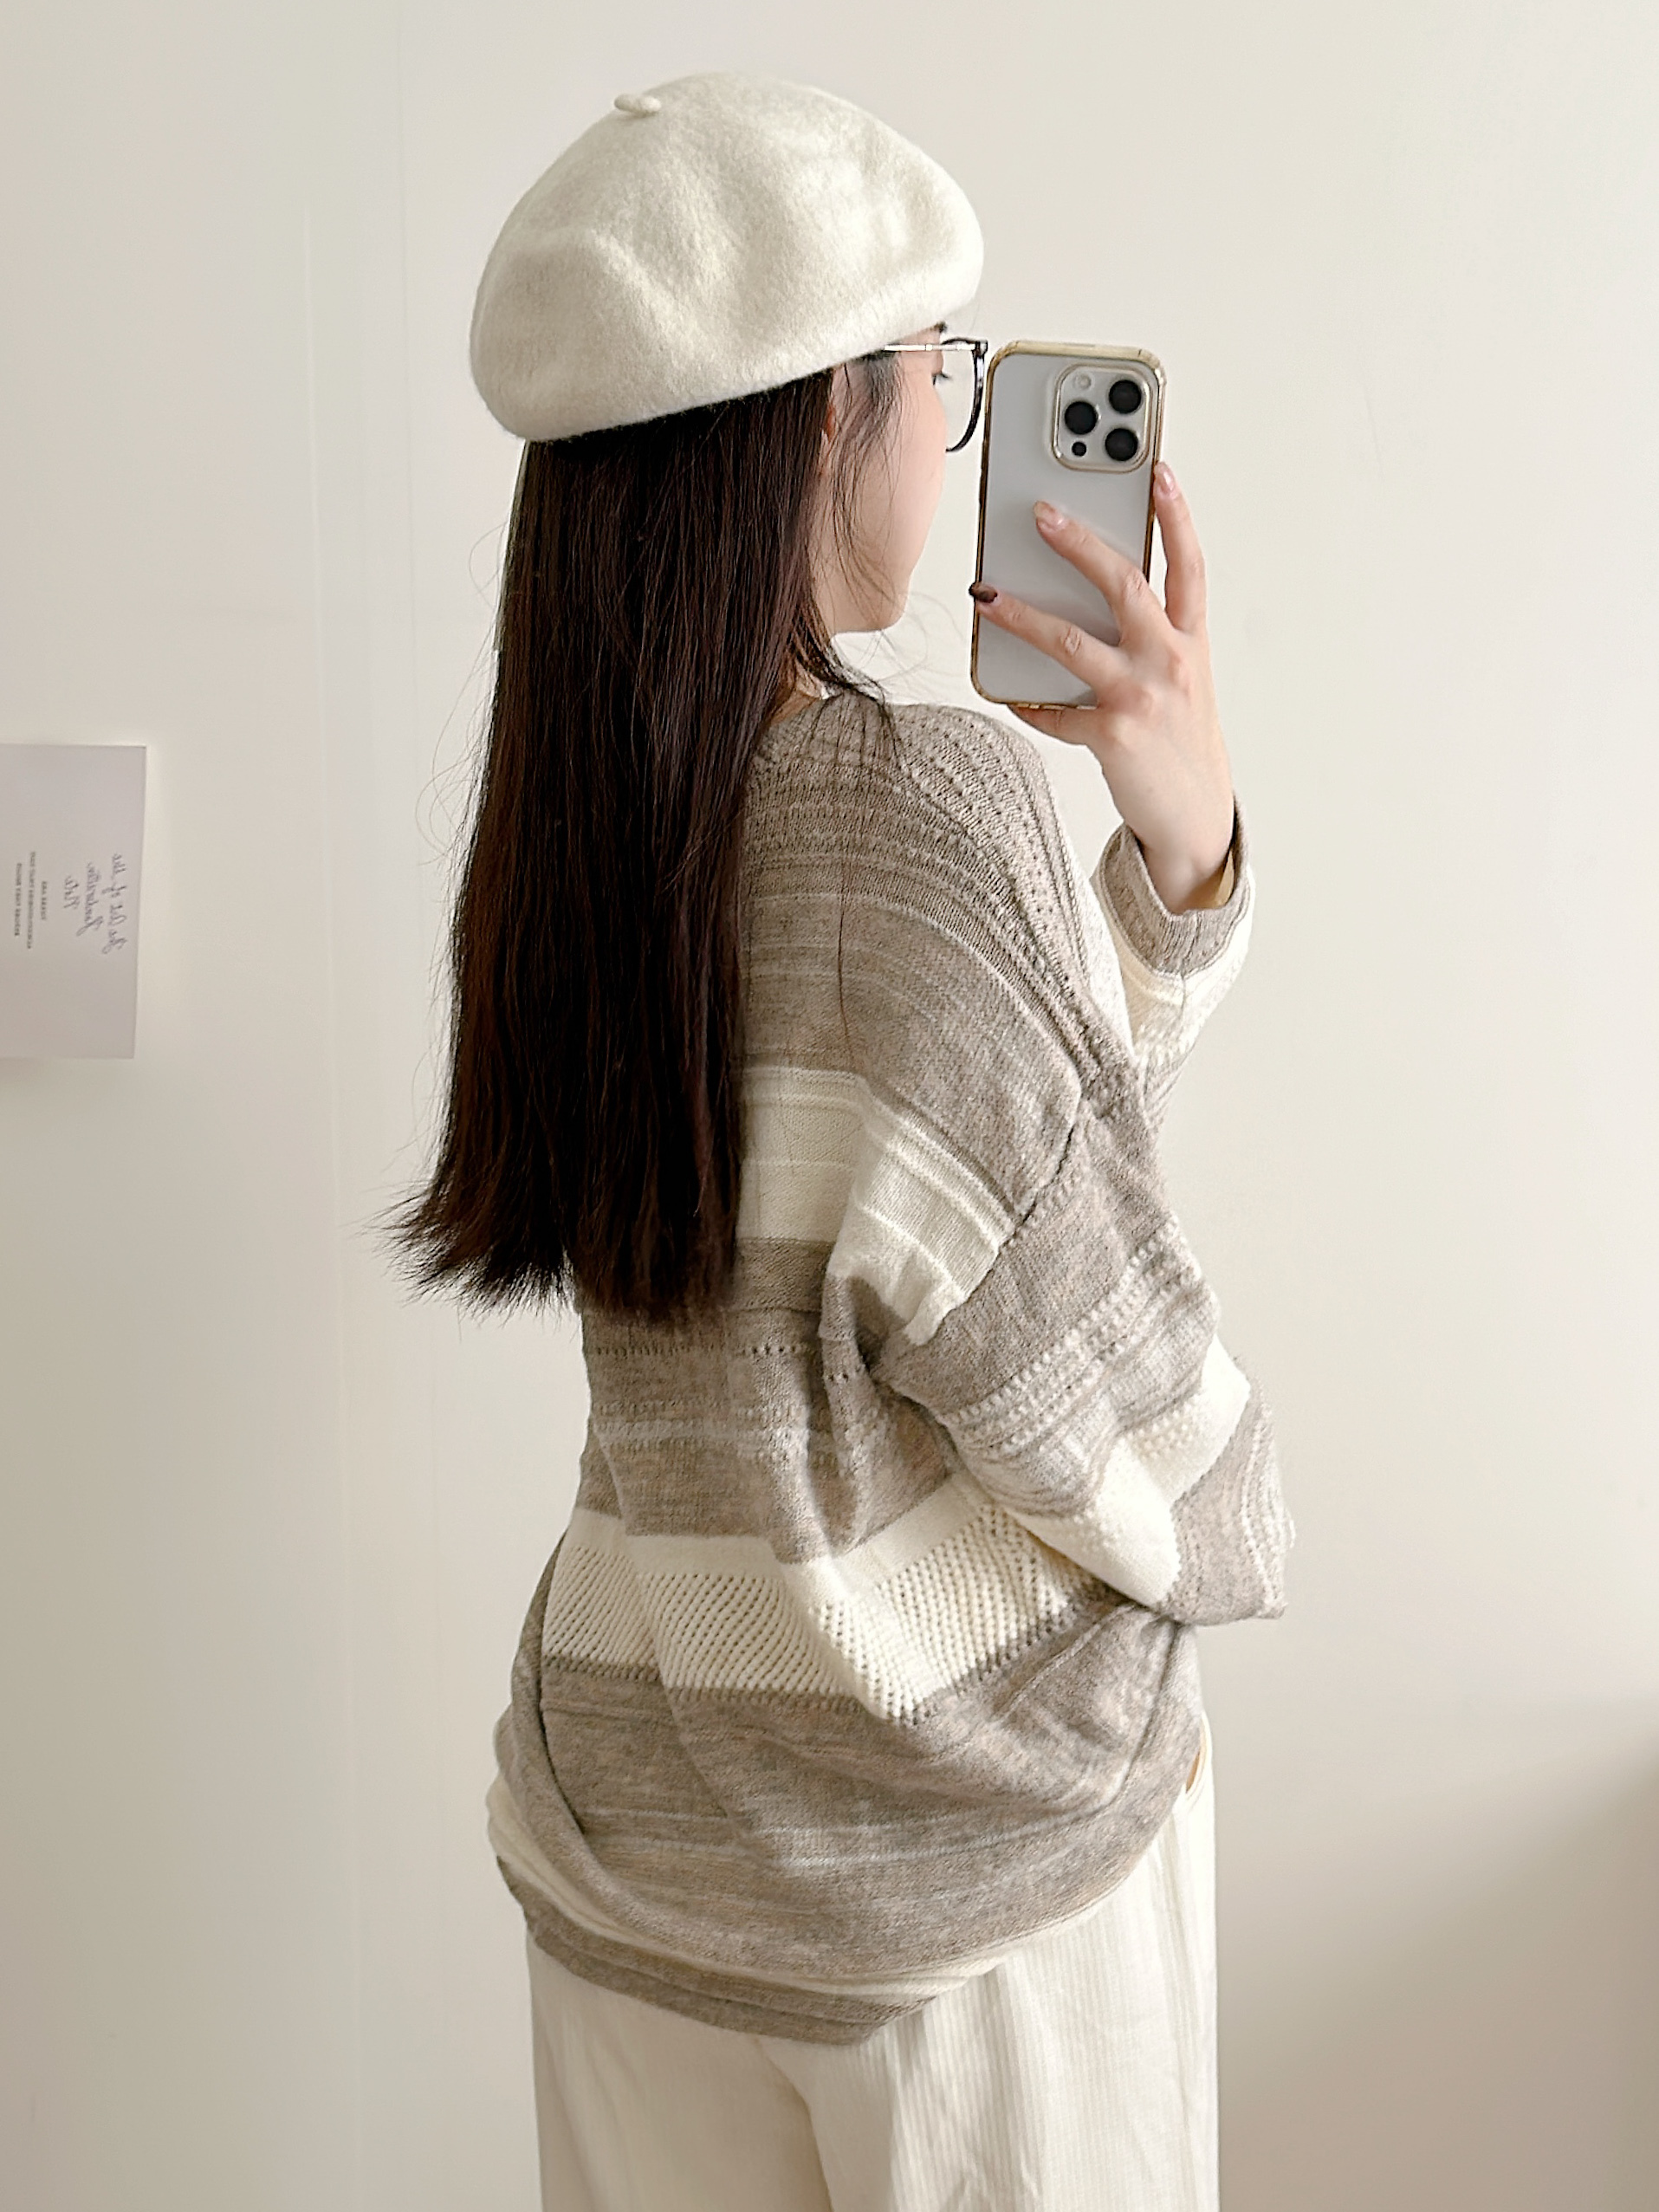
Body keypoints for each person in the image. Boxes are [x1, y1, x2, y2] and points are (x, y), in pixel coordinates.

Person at [398, 69, 1290, 2212]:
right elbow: (1109, 1385)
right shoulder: (916, 807)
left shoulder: (577, 831)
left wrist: (1176, 860)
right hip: (952, 1900)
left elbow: (926, 1181)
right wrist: (1241, 1510)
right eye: (935, 371)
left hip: (637, 1850)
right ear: (819, 415)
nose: (948, 429)